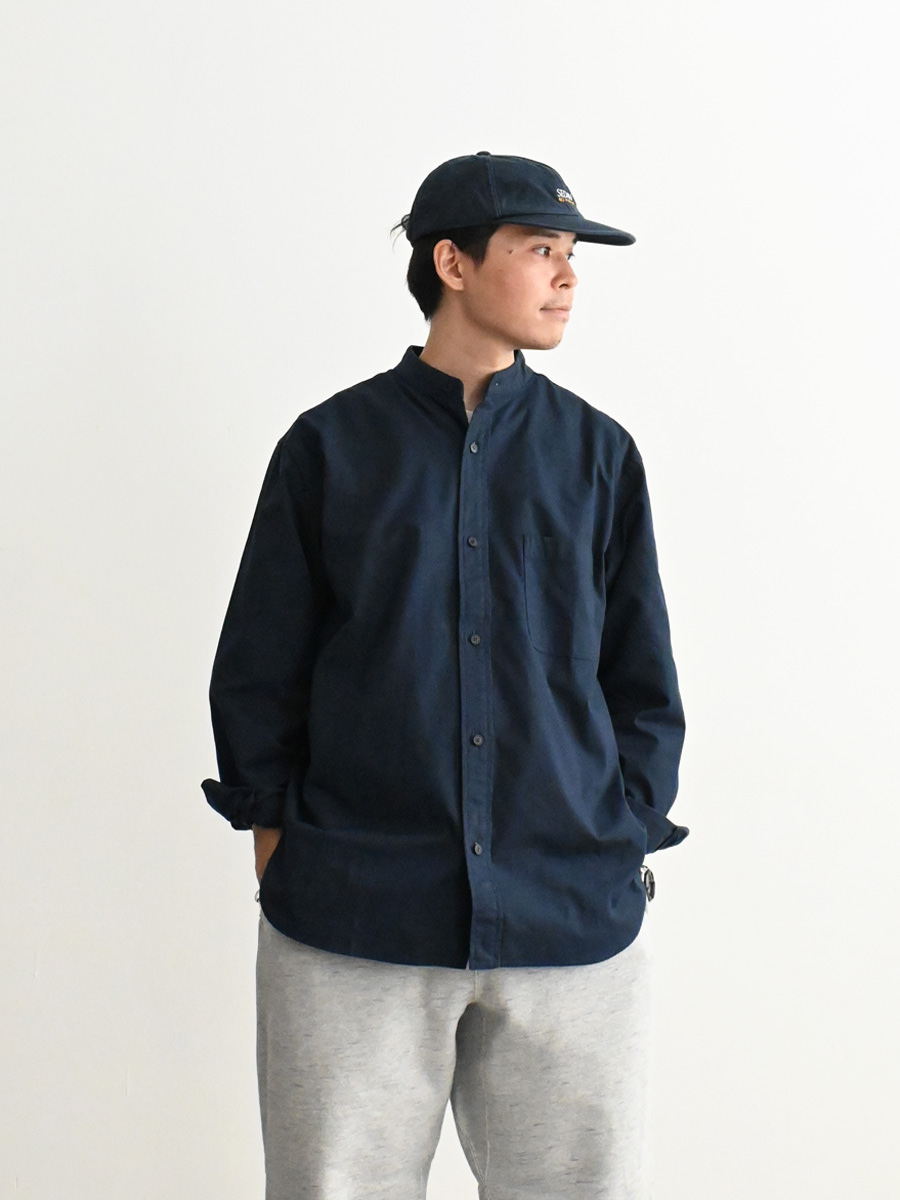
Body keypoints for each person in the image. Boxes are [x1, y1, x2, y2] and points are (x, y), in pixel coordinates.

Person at [202, 150, 688, 1200]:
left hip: (569, 913)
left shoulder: (598, 457)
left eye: (572, 254)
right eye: (540, 249)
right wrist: (280, 845)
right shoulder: (329, 449)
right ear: (453, 264)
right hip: (354, 913)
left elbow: (640, 677)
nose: (568, 276)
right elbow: (259, 666)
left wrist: (623, 833)